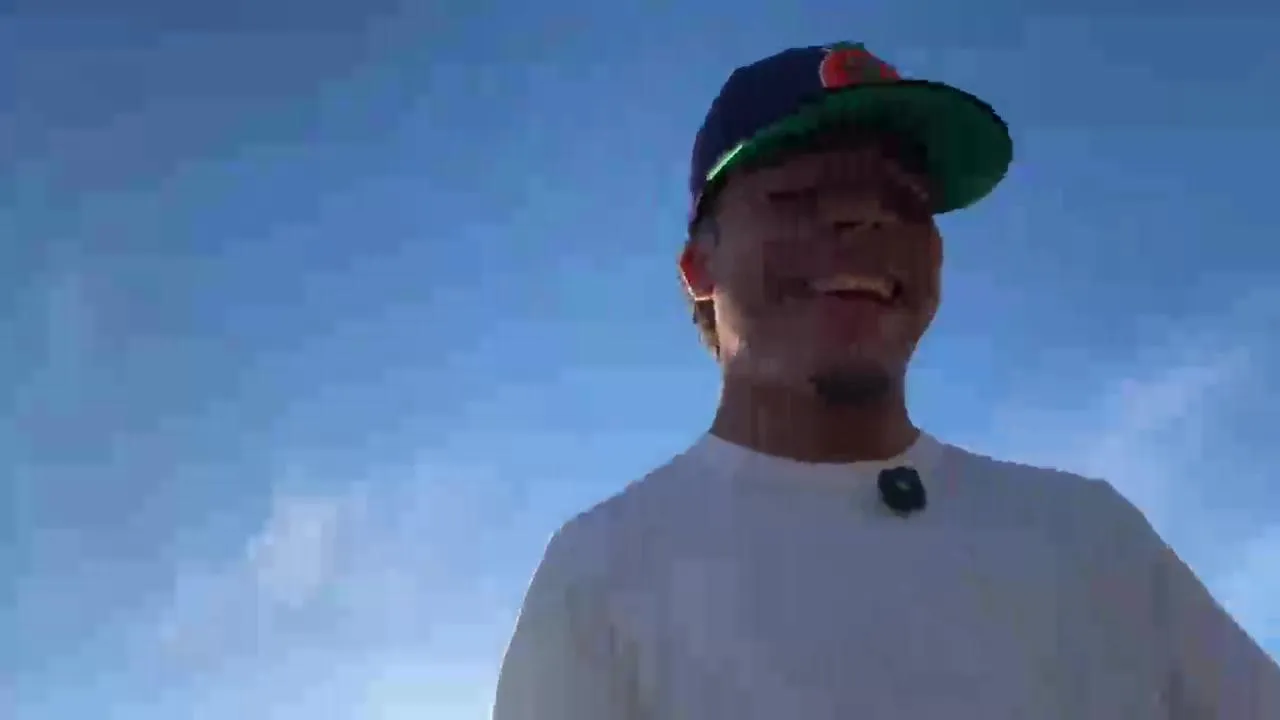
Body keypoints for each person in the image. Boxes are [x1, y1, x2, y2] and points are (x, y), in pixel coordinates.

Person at [492, 42, 1280, 719]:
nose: (864, 221)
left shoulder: (1091, 536)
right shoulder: (604, 572)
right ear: (699, 267)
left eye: (903, 202)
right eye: (800, 194)